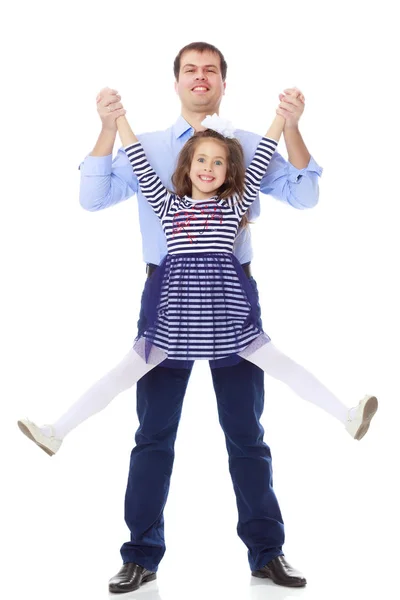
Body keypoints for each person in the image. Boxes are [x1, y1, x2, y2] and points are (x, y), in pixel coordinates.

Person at [20, 43, 325, 592]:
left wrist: (292, 123)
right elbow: (93, 197)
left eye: (211, 70)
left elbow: (305, 196)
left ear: (224, 83)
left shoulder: (248, 146)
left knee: (246, 432)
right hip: (165, 293)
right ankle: (140, 555)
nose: (200, 78)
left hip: (233, 294)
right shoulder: (154, 149)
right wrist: (110, 124)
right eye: (191, 70)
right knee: (154, 432)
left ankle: (266, 552)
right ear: (177, 81)